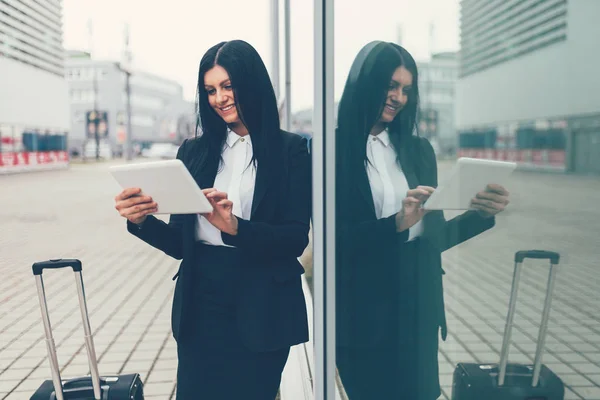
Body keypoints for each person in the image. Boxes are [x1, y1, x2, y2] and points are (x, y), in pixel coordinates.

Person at [113, 40, 311, 399]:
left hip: (263, 301)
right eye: (210, 90)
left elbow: (295, 238)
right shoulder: (194, 152)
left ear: (251, 83)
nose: (219, 98)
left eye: (228, 86)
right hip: (202, 300)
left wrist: (235, 228)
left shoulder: (291, 150)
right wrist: (142, 220)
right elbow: (179, 244)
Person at [334, 41, 510, 399]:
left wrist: (480, 214)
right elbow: (334, 242)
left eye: (406, 89)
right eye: (390, 85)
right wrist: (396, 224)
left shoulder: (418, 150)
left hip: (417, 307)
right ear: (365, 84)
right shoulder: (329, 151)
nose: (398, 97)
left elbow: (434, 237)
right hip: (363, 312)